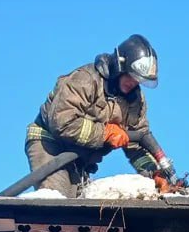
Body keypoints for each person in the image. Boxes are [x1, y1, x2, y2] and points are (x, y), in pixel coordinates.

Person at [26, 34, 178, 197]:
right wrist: (105, 133)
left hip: (80, 158)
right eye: (131, 76)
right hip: (51, 144)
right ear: (119, 66)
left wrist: (154, 173)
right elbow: (62, 123)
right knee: (57, 200)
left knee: (78, 205)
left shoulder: (135, 100)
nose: (134, 83)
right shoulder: (85, 80)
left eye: (138, 80)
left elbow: (138, 140)